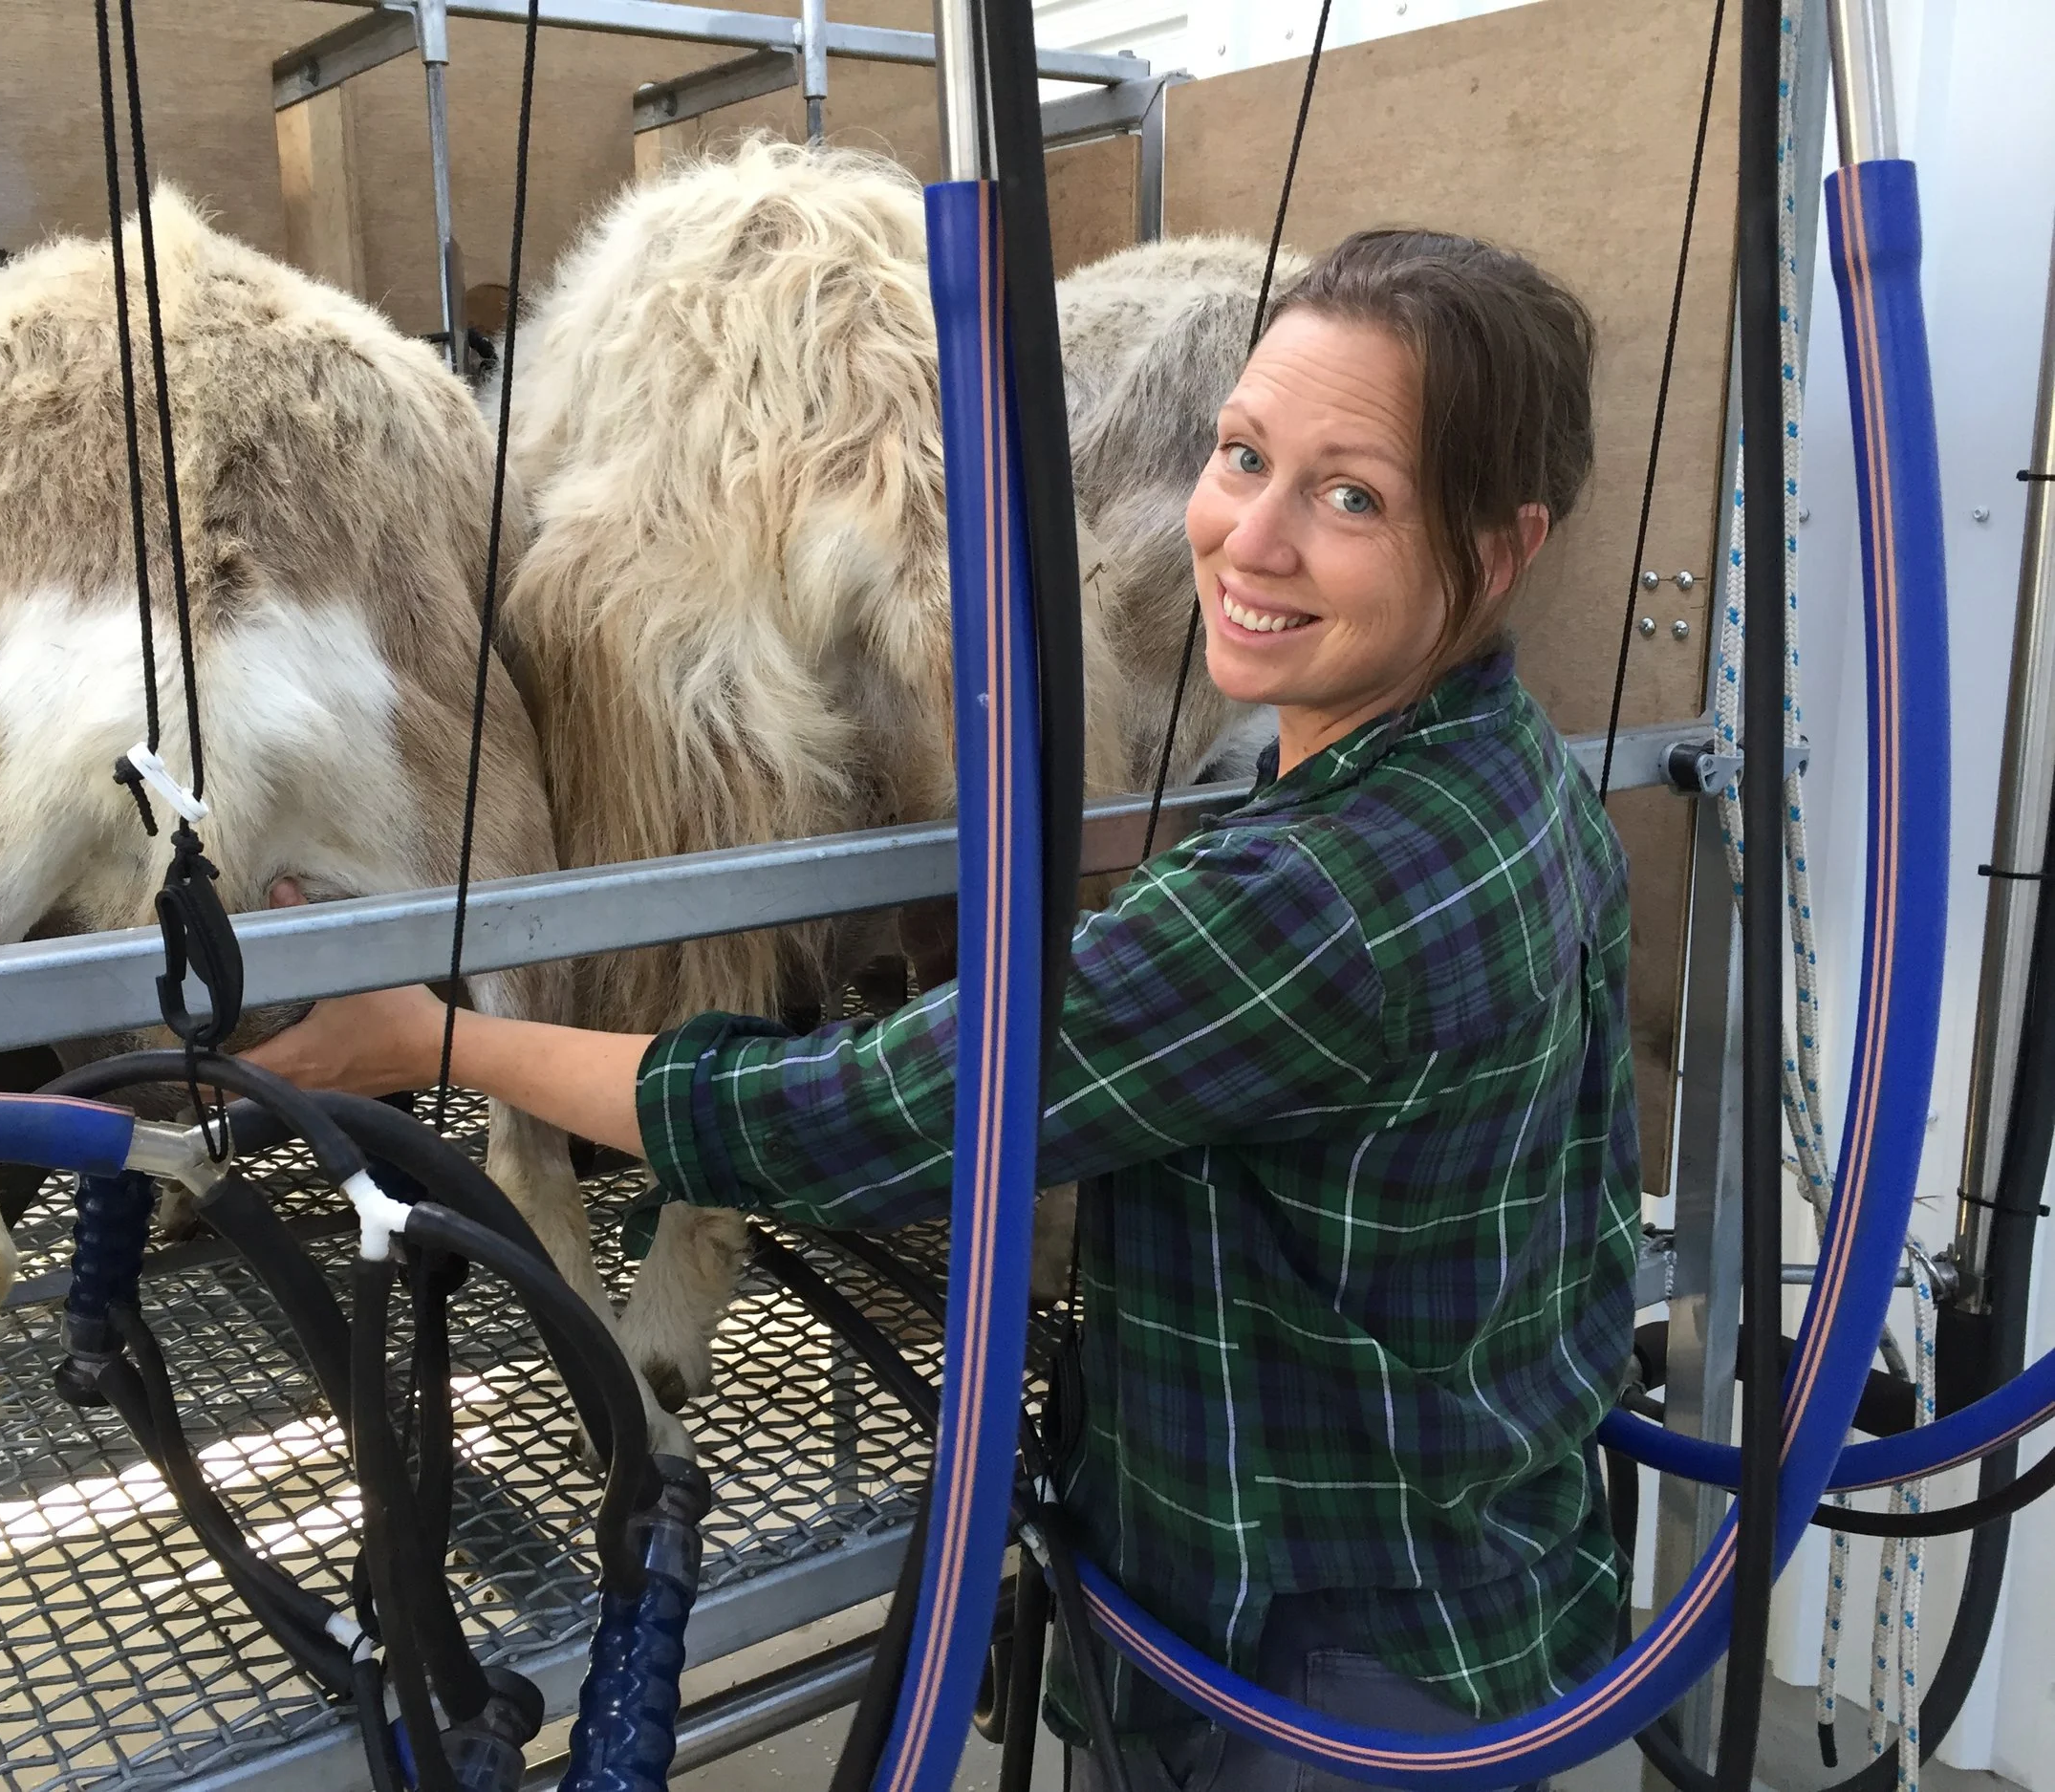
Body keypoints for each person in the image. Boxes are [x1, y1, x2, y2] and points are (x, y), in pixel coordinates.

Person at [246, 227, 1635, 1792]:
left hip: (1314, 1674)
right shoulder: (1514, 775)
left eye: (1353, 497)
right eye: (1244, 456)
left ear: (1499, 549)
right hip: (1480, 1572)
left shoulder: (1314, 899)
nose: (1252, 540)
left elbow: (847, 1118)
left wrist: (427, 1037)